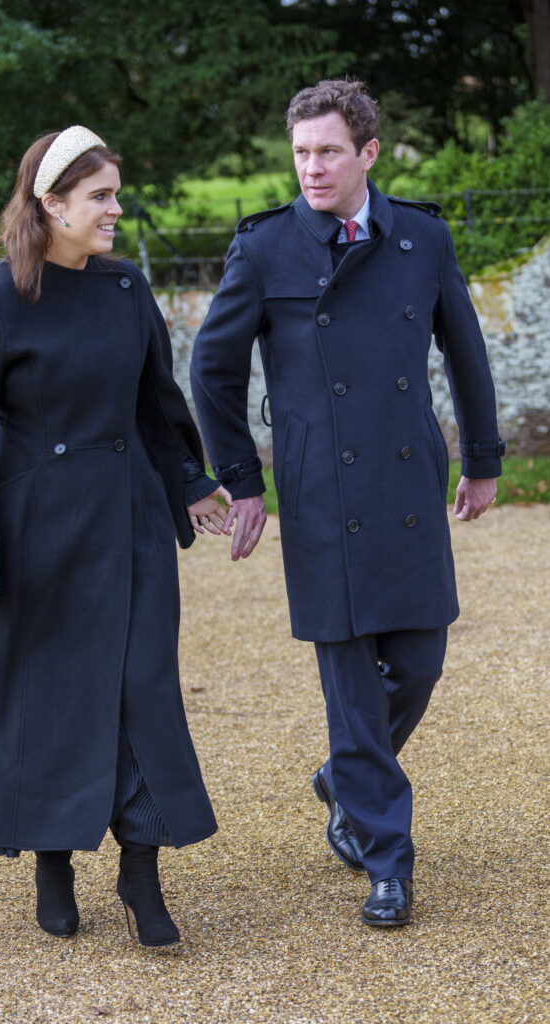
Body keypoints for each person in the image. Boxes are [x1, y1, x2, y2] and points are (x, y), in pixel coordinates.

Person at [190, 80, 504, 927]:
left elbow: (466, 354)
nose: (311, 168)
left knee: (422, 661)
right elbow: (211, 373)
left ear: (367, 153)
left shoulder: (422, 238)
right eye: (299, 152)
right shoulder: (263, 250)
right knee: (353, 688)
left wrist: (481, 460)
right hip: (321, 493)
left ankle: (344, 776)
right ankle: (386, 861)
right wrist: (243, 480)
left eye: (327, 150)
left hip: (407, 486)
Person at [0, 126, 231, 947]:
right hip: (32, 535)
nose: (114, 208)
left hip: (128, 519)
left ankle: (142, 869)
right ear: (51, 203)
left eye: (113, 193)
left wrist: (191, 484)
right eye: (99, 195)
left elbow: (156, 405)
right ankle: (53, 860)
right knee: (47, 701)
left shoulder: (126, 288)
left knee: (141, 690)